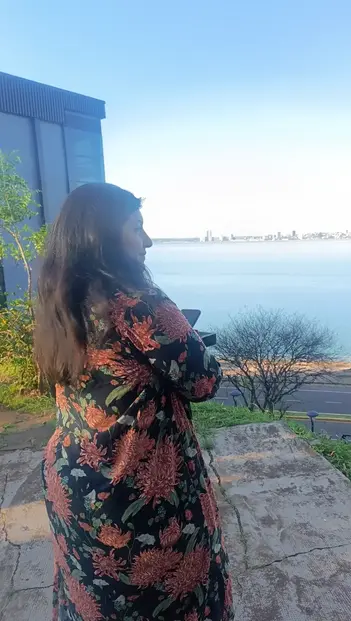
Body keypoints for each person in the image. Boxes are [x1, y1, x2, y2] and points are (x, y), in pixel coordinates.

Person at [35, 183, 233, 621]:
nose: (148, 241)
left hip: (74, 481)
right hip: (139, 491)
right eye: (137, 227)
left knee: (94, 599)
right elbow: (204, 382)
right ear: (103, 236)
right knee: (172, 600)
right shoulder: (139, 304)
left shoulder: (60, 300)